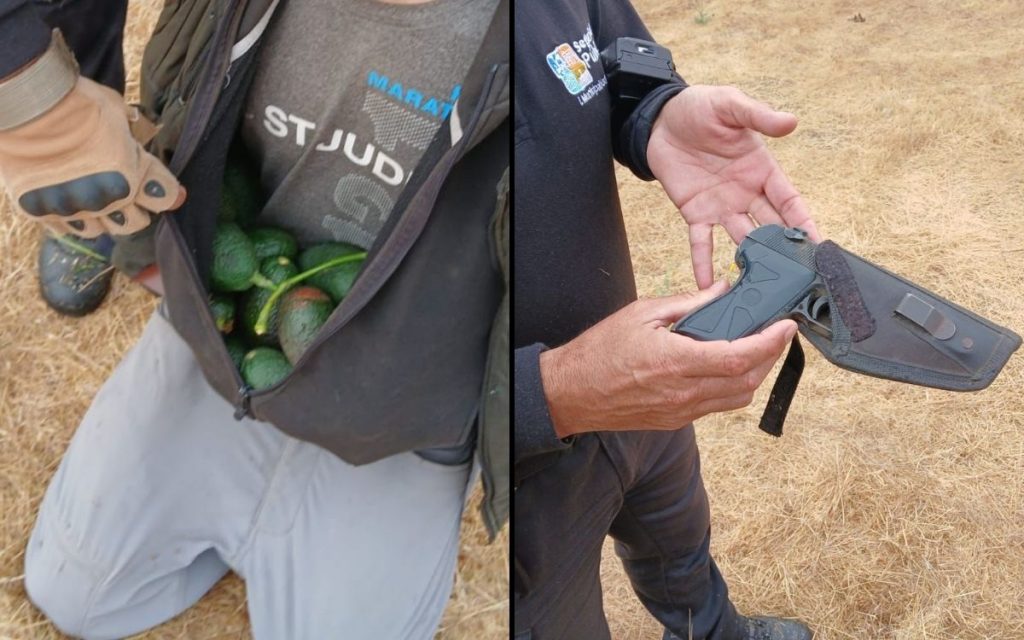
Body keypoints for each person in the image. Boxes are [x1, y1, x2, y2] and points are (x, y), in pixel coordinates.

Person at [0, 0, 508, 637]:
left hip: (406, 403)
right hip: (241, 322)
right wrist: (26, 95)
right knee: (76, 594)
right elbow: (173, 89)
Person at [514, 1, 818, 639]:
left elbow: (618, 67)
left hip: (646, 373)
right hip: (509, 475)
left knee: (679, 538)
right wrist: (546, 394)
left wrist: (658, 113)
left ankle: (713, 632)